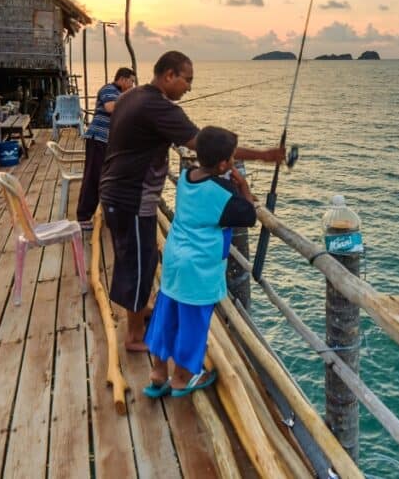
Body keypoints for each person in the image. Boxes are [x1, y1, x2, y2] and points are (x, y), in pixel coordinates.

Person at [100, 50, 282, 352]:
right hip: (131, 197)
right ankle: (134, 336)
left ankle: (139, 312)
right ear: (169, 75)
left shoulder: (132, 96)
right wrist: (265, 156)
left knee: (136, 259)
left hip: (117, 192)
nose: (189, 88)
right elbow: (206, 146)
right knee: (140, 264)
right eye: (187, 80)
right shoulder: (158, 107)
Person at [142, 126, 256, 397]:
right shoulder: (225, 193)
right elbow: (248, 214)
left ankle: (158, 374)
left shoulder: (185, 177)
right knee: (193, 322)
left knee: (166, 313)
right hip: (200, 267)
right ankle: (181, 378)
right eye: (231, 157)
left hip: (174, 259)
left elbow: (207, 188)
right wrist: (243, 186)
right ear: (224, 164)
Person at [76, 67, 136, 230]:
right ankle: (83, 216)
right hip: (98, 140)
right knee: (93, 177)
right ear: (123, 79)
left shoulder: (119, 94)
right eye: (131, 81)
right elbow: (110, 108)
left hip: (107, 143)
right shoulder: (109, 89)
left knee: (107, 178)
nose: (132, 85)